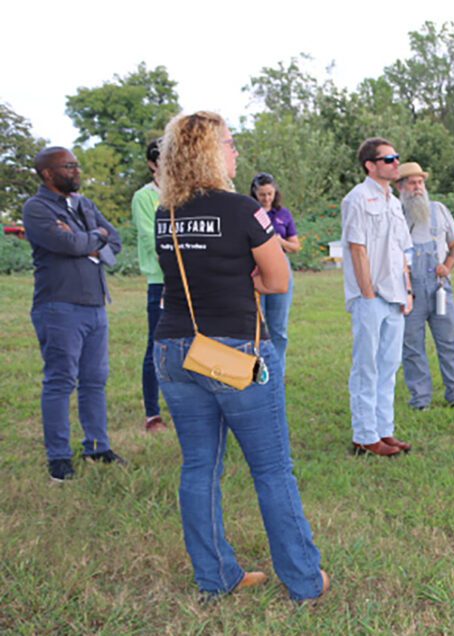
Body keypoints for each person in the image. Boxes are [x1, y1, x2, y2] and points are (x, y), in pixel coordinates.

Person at [153, 111, 327, 601]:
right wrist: (246, 277)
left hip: (174, 348)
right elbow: (278, 280)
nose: (235, 152)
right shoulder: (242, 209)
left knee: (199, 468)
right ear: (210, 152)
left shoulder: (165, 212)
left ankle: (215, 577)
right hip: (231, 351)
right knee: (272, 470)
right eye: (229, 143)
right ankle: (304, 580)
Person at [23, 146, 126, 481]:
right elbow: (68, 245)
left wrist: (87, 241)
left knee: (95, 380)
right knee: (60, 380)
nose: (76, 171)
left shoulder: (84, 204)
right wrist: (95, 238)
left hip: (95, 306)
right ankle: (58, 456)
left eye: (76, 165)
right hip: (59, 307)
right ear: (48, 173)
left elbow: (116, 241)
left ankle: (97, 446)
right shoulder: (37, 208)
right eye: (69, 166)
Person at [342, 137, 414, 457]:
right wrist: (367, 293)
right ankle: (364, 435)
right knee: (366, 366)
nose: (396, 163)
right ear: (370, 166)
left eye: (396, 157)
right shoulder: (357, 199)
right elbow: (357, 248)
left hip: (395, 295)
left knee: (389, 366)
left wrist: (407, 290)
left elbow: (401, 250)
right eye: (388, 159)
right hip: (370, 296)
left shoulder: (394, 202)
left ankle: (385, 430)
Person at [395, 162, 454, 410]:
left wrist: (447, 266)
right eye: (412, 183)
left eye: (420, 182)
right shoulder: (395, 214)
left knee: (449, 342)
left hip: (439, 290)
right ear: (400, 187)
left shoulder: (439, 210)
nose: (417, 188)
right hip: (409, 292)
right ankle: (420, 399)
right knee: (412, 347)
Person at [132, 138, 169, 432]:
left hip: (191, 280)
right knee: (156, 346)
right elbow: (152, 239)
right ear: (152, 164)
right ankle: (152, 413)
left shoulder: (185, 193)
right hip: (161, 281)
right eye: (163, 158)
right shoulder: (144, 197)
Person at [250, 172, 300, 380]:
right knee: (257, 325)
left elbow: (295, 246)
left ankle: (277, 373)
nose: (266, 198)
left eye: (270, 194)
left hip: (280, 268)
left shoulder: (283, 214)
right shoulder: (248, 213)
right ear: (255, 193)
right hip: (255, 270)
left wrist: (281, 241)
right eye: (262, 194)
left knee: (278, 327)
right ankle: (257, 372)